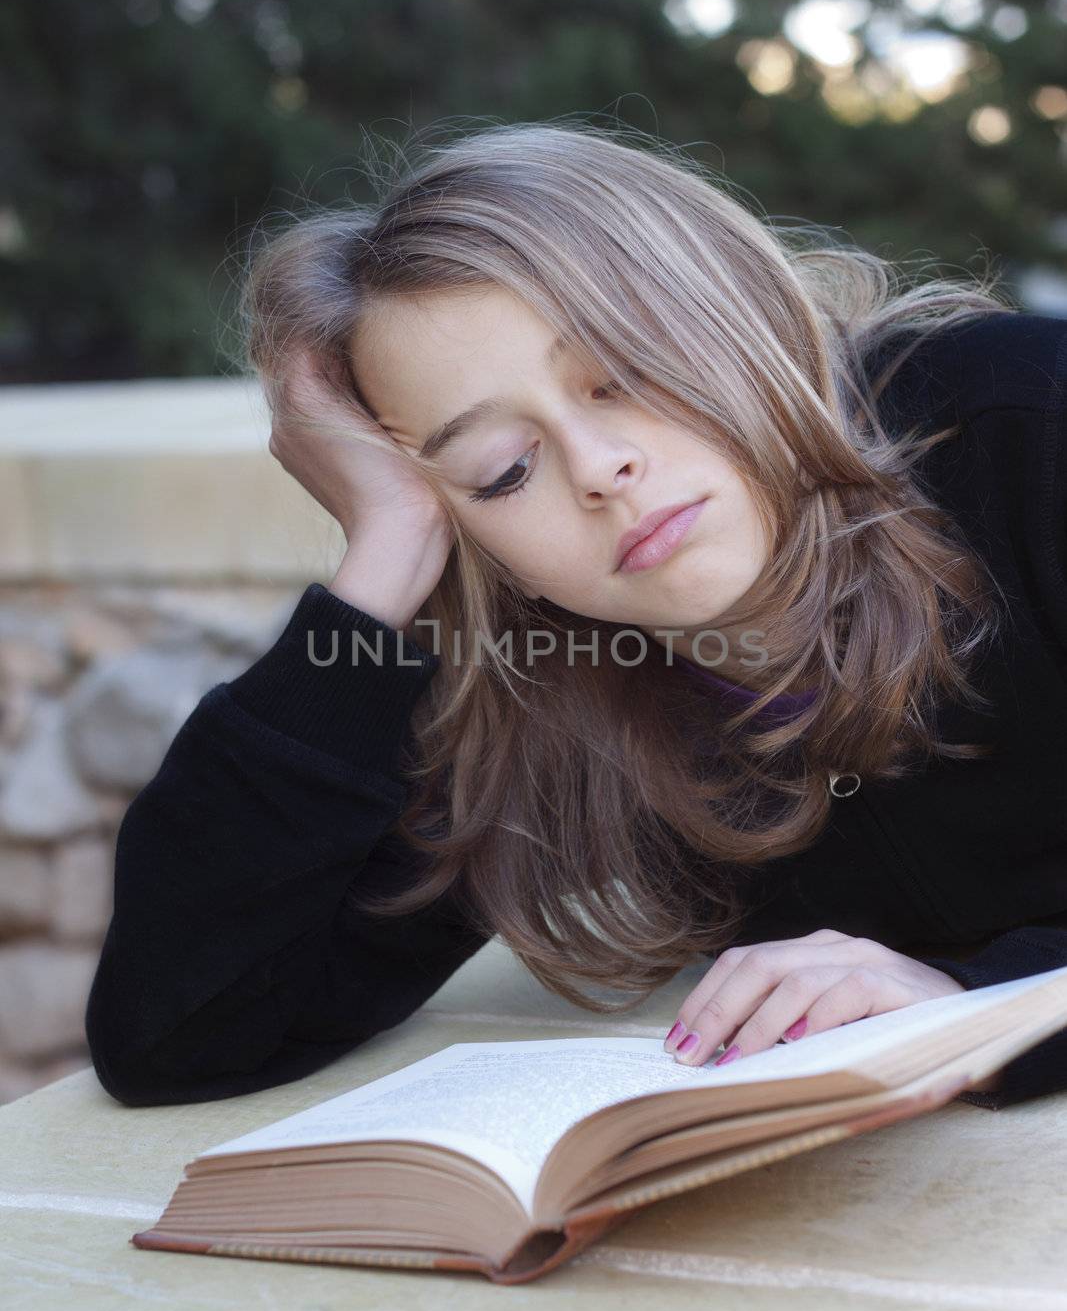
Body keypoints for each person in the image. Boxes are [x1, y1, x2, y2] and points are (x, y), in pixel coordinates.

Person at [85, 120, 1067, 1111]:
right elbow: (181, 1029)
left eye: (624, 373)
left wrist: (977, 1007)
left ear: (730, 307)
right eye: (502, 471)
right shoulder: (542, 692)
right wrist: (382, 558)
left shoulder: (1024, 423)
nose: (599, 470)